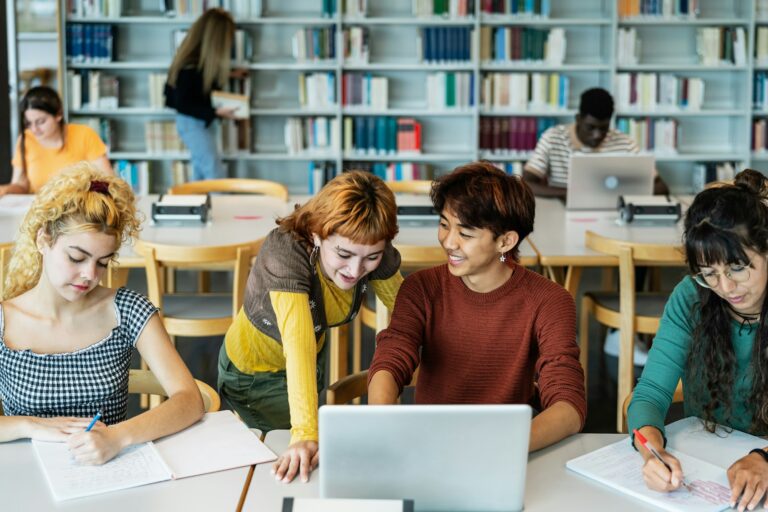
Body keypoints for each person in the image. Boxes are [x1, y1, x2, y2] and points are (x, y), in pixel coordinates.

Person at [367, 161, 586, 452]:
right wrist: (382, 422)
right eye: (444, 225)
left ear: (506, 241)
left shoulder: (550, 301)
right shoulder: (421, 288)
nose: (448, 242)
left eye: (466, 234)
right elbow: (392, 357)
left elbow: (569, 405)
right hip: (430, 444)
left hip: (506, 446)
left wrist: (499, 449)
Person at [0, 163, 204, 465]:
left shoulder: (129, 311)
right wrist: (31, 425)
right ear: (43, 240)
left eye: (103, 263)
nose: (89, 275)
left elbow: (190, 400)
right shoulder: (5, 320)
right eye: (77, 257)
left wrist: (117, 437)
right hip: (26, 478)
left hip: (109, 471)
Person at [218, 170, 403, 483]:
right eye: (343, 254)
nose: (356, 270)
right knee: (296, 466)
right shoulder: (284, 253)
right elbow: (297, 346)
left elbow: (408, 311)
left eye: (371, 257)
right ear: (317, 234)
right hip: (255, 374)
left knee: (309, 459)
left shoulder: (369, 243)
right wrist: (304, 432)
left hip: (311, 357)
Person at [628, 169, 768, 512]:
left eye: (737, 268)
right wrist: (652, 449)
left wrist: (764, 457)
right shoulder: (691, 297)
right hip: (710, 469)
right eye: (709, 273)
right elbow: (649, 394)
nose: (725, 287)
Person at [523, 87, 668, 198]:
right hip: (563, 211)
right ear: (578, 118)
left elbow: (662, 187)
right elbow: (526, 184)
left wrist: (622, 193)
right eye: (590, 127)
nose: (597, 135)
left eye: (604, 128)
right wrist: (570, 194)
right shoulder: (553, 138)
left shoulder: (625, 143)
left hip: (613, 214)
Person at [164, 8, 239, 181]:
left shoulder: (196, 63)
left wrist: (231, 74)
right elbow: (181, 102)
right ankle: (224, 207)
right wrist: (216, 112)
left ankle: (199, 207)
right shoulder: (189, 67)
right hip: (192, 123)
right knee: (213, 170)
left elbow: (196, 89)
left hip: (199, 123)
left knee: (201, 171)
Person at [3, 86, 111, 196]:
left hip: (78, 207)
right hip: (38, 208)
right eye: (29, 123)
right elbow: (21, 185)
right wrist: (5, 189)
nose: (34, 129)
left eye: (41, 122)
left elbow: (108, 181)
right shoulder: (26, 139)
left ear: (58, 114)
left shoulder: (84, 135)